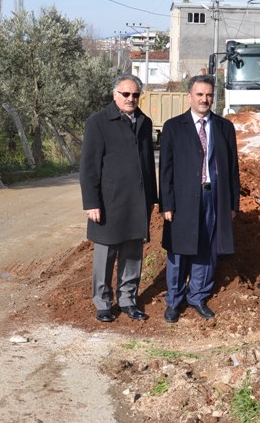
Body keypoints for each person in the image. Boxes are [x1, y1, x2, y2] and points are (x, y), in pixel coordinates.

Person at [159, 74, 240, 323]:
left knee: (207, 249)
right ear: (189, 97)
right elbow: (166, 170)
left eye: (209, 95)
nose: (205, 99)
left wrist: (232, 204)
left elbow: (232, 168)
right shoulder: (173, 127)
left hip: (213, 197)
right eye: (200, 95)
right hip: (183, 200)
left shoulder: (224, 127)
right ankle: (174, 301)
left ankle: (198, 297)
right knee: (178, 250)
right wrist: (167, 204)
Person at [80, 74, 158, 323]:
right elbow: (89, 166)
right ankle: (103, 303)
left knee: (133, 253)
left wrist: (152, 198)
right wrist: (91, 202)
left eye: (135, 94)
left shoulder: (144, 122)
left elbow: (147, 163)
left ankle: (127, 300)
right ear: (115, 95)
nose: (131, 98)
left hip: (137, 201)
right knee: (105, 254)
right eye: (126, 94)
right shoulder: (98, 122)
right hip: (108, 202)